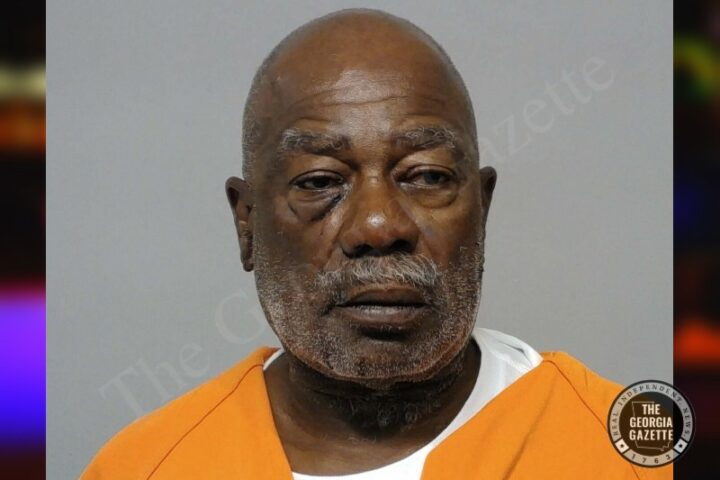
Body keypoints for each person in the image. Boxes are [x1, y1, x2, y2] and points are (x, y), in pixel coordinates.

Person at [82, 9, 670, 479]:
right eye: (319, 181)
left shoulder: (628, 453)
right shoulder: (146, 466)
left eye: (427, 175)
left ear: (482, 210)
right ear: (248, 225)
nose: (379, 226)